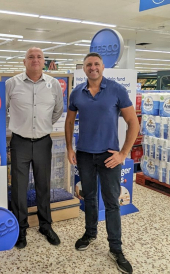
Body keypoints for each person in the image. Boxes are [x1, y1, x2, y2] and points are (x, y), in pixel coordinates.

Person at [65, 52, 139, 274]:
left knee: (112, 203)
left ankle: (116, 248)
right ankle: (90, 233)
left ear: (103, 67)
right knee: (89, 198)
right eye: (89, 64)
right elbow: (69, 121)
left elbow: (132, 122)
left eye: (96, 64)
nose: (92, 67)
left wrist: (123, 153)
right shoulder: (77, 92)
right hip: (85, 155)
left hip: (110, 156)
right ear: (84, 68)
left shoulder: (116, 90)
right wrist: (70, 147)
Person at [6, 47, 63, 249]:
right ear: (24, 61)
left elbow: (58, 110)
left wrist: (44, 125)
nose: (35, 60)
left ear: (44, 62)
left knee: (43, 186)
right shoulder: (11, 84)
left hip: (43, 142)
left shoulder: (53, 84)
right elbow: (2, 110)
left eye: (39, 57)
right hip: (19, 141)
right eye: (31, 57)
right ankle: (20, 229)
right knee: (19, 188)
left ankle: (45, 225)